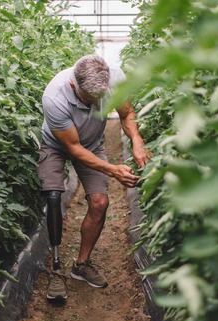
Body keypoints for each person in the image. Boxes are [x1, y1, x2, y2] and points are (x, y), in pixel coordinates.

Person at [37, 54, 152, 301]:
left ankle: (81, 264)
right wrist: (113, 169)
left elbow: (126, 112)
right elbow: (73, 148)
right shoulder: (54, 98)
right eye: (88, 100)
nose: (94, 105)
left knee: (100, 203)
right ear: (73, 87)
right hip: (57, 145)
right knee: (54, 196)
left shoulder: (115, 77)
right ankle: (56, 269)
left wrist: (137, 140)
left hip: (91, 143)